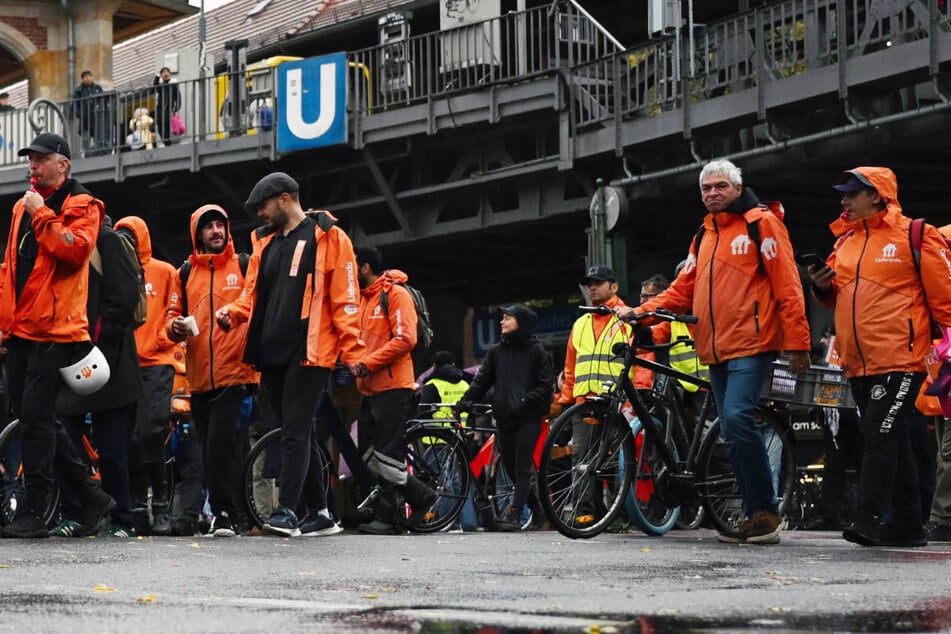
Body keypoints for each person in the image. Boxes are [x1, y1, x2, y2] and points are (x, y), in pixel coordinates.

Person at [628, 158, 811, 545]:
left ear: (737, 188)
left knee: (737, 419)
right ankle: (751, 515)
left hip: (752, 344)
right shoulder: (704, 234)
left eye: (720, 187)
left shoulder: (762, 223)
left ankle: (765, 513)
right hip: (717, 348)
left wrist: (798, 342)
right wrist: (641, 313)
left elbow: (788, 285)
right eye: (706, 188)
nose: (713, 193)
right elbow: (683, 289)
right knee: (730, 430)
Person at [215, 172, 366, 537]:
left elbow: (345, 297)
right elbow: (250, 294)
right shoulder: (265, 243)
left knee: (296, 431)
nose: (259, 214)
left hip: (310, 350)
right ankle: (321, 513)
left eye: (263, 205)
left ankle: (288, 511)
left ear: (285, 199)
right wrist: (231, 314)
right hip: (271, 352)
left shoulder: (329, 237)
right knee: (292, 432)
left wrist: (353, 351)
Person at [808, 166, 951, 547]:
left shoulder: (916, 236)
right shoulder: (845, 243)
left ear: (876, 195)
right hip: (858, 361)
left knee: (880, 432)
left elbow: (946, 301)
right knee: (896, 438)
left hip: (902, 359)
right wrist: (821, 289)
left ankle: (868, 517)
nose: (844, 200)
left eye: (852, 193)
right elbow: (834, 298)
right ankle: (907, 524)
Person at [0, 132, 116, 538]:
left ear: (62, 165)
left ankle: (36, 509)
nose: (32, 166)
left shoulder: (83, 204)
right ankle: (90, 495)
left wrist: (41, 214)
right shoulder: (21, 207)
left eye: (40, 159)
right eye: (30, 160)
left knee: (35, 419)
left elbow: (75, 251)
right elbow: (11, 269)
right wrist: (5, 324)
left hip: (54, 329)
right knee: (35, 418)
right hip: (22, 329)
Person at [166, 204, 258, 537]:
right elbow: (171, 315)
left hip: (236, 373)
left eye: (221, 225)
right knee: (212, 448)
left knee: (220, 445)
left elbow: (253, 304)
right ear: (198, 234)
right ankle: (235, 515)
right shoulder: (186, 272)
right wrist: (173, 327)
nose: (216, 231)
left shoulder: (244, 265)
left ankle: (226, 514)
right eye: (209, 227)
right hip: (200, 377)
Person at [53, 213, 143, 538]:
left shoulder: (106, 240)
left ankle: (122, 517)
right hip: (74, 355)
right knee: (64, 436)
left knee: (112, 448)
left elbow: (125, 297)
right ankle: (76, 512)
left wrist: (100, 344)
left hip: (111, 361)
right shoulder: (62, 243)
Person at [350, 246, 438, 535]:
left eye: (353, 265)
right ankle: (416, 496)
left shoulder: (395, 294)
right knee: (366, 453)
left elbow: (405, 338)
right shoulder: (363, 300)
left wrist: (368, 364)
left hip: (393, 387)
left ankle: (391, 514)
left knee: (387, 453)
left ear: (365, 267)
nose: (349, 271)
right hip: (370, 389)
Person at [455, 306, 554, 530]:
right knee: (509, 466)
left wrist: (524, 400)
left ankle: (514, 516)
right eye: (503, 318)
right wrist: (466, 400)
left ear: (522, 322)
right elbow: (482, 381)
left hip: (529, 417)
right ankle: (537, 511)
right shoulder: (496, 351)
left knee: (521, 466)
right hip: (504, 418)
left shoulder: (537, 351)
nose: (502, 322)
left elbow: (546, 385)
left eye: (508, 318)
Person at [113, 215, 179, 536]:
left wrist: (164, 338)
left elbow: (174, 312)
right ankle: (140, 505)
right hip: (125, 365)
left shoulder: (166, 272)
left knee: (150, 432)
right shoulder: (114, 270)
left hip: (157, 363)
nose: (126, 240)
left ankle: (161, 505)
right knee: (131, 437)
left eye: (130, 235)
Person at [555, 265, 633, 528]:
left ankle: (619, 515)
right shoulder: (580, 323)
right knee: (582, 460)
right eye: (590, 283)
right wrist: (566, 399)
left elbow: (642, 357)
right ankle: (584, 512)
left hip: (617, 402)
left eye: (598, 283)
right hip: (584, 403)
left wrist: (638, 393)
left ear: (614, 286)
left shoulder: (627, 318)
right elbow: (570, 365)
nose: (592, 287)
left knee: (618, 460)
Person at [417, 350, 470, 419]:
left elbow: (422, 413)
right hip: (462, 428)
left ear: (434, 365)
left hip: (437, 428)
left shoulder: (432, 385)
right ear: (453, 364)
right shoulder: (465, 384)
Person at [70, 70, 103, 156]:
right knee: (86, 138)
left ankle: (99, 152)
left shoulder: (97, 88)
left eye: (89, 76)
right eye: (86, 77)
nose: (88, 78)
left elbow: (102, 99)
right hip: (85, 118)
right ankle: (87, 154)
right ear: (83, 79)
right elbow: (74, 104)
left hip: (96, 116)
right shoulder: (79, 90)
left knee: (98, 135)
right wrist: (79, 114)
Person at [152, 66, 181, 146]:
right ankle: (166, 143)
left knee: (167, 128)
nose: (165, 74)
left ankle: (168, 144)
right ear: (161, 75)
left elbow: (177, 96)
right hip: (160, 110)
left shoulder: (173, 84)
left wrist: (177, 107)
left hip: (168, 109)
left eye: (167, 72)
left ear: (169, 74)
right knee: (160, 129)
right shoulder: (161, 85)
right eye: (163, 72)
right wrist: (157, 77)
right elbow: (154, 88)